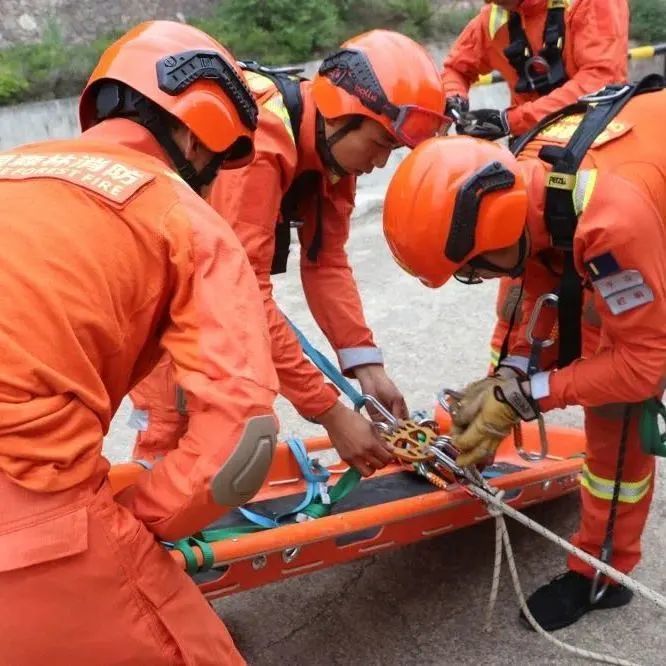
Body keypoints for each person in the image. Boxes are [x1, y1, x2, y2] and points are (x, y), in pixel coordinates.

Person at [0, 20, 280, 664]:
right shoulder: (177, 213)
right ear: (193, 129)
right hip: (35, 528)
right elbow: (242, 440)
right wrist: (139, 521)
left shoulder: (16, 173)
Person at [381, 79, 666, 630]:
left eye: (474, 269)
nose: (476, 279)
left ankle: (601, 574)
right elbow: (535, 284)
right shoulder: (526, 180)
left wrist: (529, 395)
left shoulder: (613, 223)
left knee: (618, 409)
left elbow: (642, 366)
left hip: (647, 215)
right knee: (530, 309)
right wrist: (509, 376)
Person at [129, 30, 447, 478]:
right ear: (341, 116)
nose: (379, 164)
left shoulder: (330, 153)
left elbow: (326, 262)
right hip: (155, 282)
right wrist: (331, 413)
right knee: (175, 420)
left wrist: (366, 366)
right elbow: (243, 294)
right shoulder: (262, 140)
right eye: (379, 145)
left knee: (239, 414)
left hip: (202, 284)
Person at [441, 0, 629, 369]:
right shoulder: (494, 17)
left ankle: (598, 388)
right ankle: (503, 386)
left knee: (597, 296)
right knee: (517, 291)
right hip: (528, 175)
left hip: (593, 170)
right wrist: (454, 98)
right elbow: (456, 67)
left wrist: (511, 120)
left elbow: (600, 80)